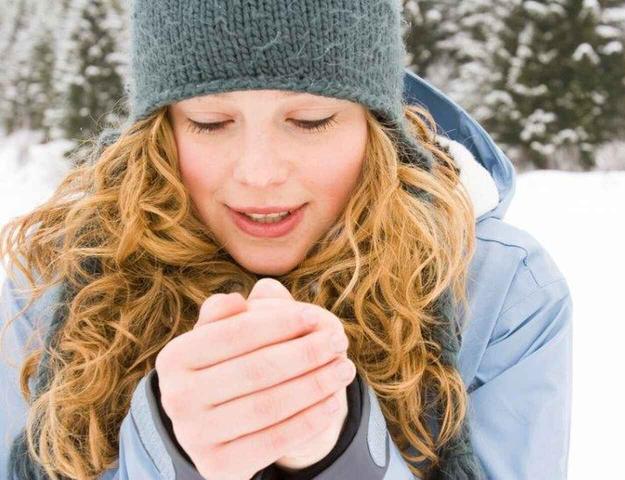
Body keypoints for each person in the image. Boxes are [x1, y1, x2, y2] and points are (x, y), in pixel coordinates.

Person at [0, 1, 573, 479]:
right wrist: (167, 450)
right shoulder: (42, 291)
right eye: (209, 123)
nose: (259, 173)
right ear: (161, 128)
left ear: (377, 126)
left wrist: (341, 451)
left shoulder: (504, 290)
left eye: (310, 120)